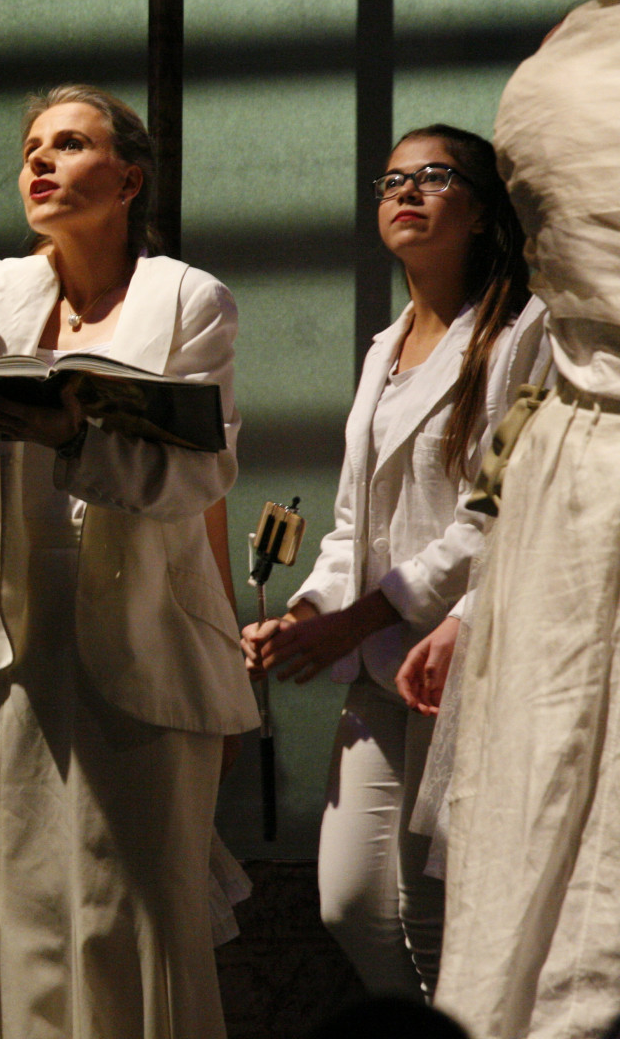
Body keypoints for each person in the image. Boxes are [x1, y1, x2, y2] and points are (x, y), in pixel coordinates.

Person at [0, 5, 256, 1038]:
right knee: (32, 914)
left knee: (137, 912)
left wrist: (73, 438)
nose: (39, 162)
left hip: (151, 638)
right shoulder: (5, 293)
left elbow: (196, 475)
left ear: (128, 180)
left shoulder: (189, 300)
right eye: (32, 148)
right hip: (27, 639)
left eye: (69, 145)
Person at [242, 125, 544, 999]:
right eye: (391, 180)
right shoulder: (386, 347)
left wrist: (373, 615)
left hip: (469, 654)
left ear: (481, 211)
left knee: (438, 915)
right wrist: (307, 614)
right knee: (351, 906)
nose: (405, 192)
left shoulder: (526, 333)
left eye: (434, 177)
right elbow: (352, 527)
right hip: (381, 666)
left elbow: (503, 512)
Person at [432, 0, 620, 1033]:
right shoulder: (576, 71)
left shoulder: (559, 59)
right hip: (587, 452)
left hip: (574, 468)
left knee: (550, 809)